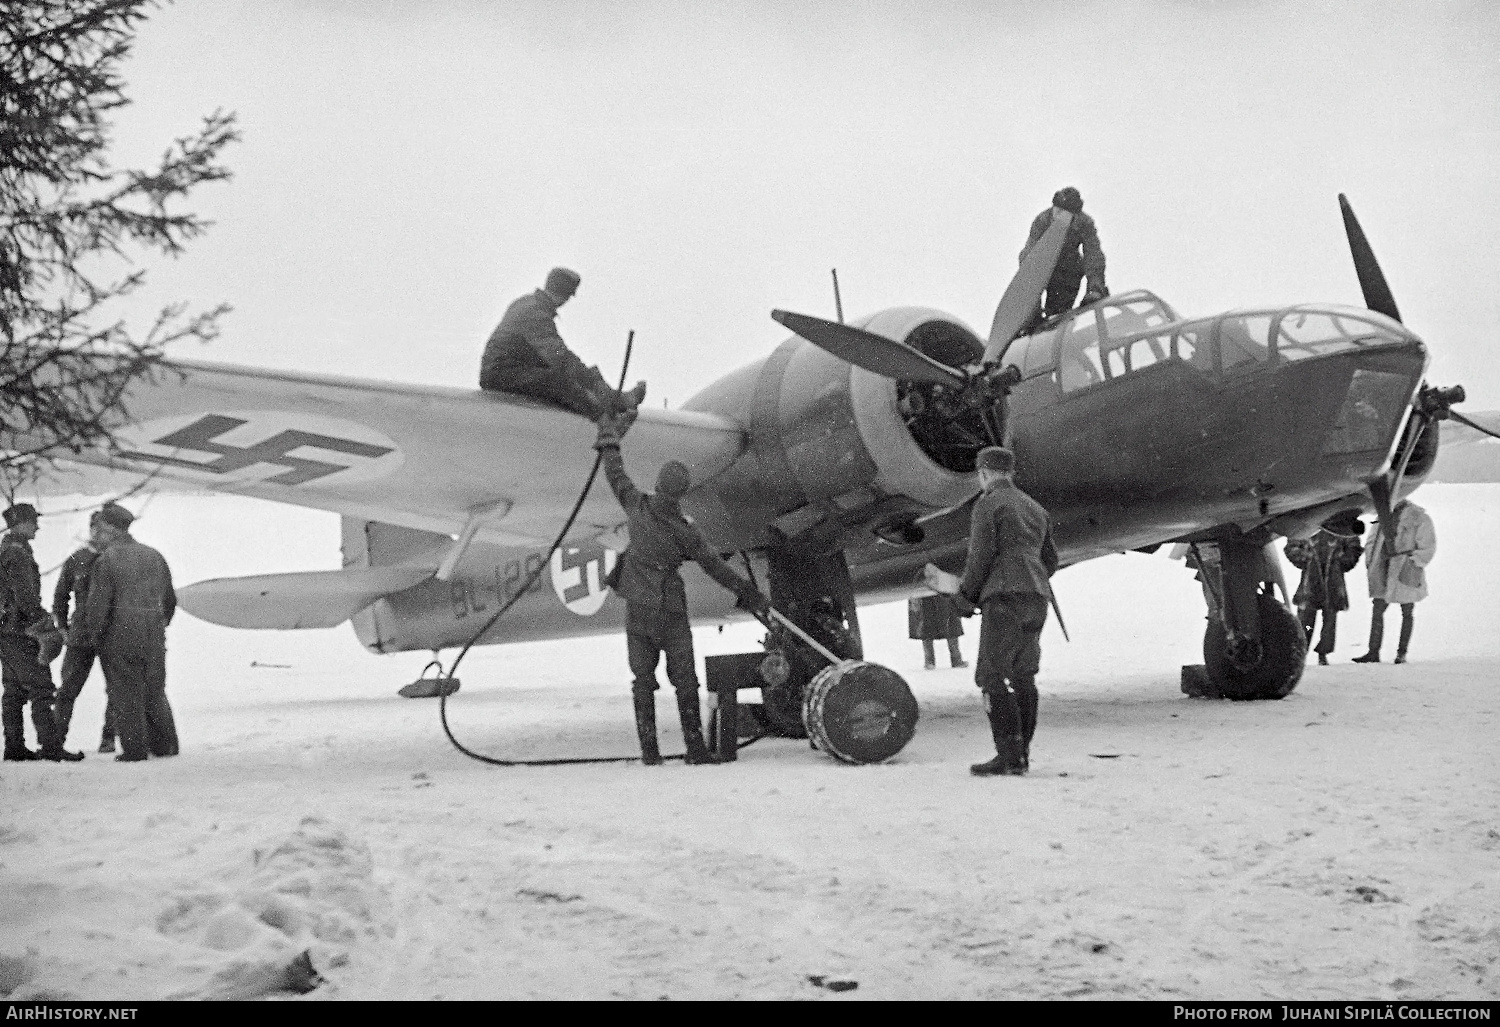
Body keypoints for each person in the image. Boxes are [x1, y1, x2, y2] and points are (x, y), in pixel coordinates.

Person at [594, 413, 769, 765]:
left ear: (658, 485)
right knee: (685, 682)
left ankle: (649, 752)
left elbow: (616, 475)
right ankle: (696, 748)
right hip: (671, 611)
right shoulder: (685, 531)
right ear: (681, 493)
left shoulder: (637, 505)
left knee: (642, 680)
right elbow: (714, 565)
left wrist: (610, 442)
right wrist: (746, 590)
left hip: (639, 610)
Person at [954, 446, 1058, 777]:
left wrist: (966, 595)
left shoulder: (988, 504)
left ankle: (1008, 756)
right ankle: (1022, 754)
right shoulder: (1035, 508)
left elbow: (980, 556)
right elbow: (1051, 561)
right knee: (1024, 674)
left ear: (983, 473)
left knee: (991, 675)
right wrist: (1030, 573)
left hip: (1003, 597)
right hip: (1037, 596)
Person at [479, 267, 646, 422]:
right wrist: (593, 381)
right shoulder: (534, 313)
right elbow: (559, 357)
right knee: (559, 382)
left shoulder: (529, 304)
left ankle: (613, 399)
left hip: (509, 369)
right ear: (565, 294)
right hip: (501, 374)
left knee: (563, 376)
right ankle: (606, 419)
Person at [82, 503, 179, 762]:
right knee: (155, 690)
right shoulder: (154, 555)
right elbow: (169, 600)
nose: (97, 535)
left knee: (125, 693)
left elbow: (99, 605)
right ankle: (166, 745)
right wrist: (158, 626)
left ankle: (135, 749)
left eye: (101, 529)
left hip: (118, 636)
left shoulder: (107, 560)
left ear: (111, 529)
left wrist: (96, 635)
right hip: (153, 635)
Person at [1, 503, 82, 761]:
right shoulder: (19, 553)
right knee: (41, 688)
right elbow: (25, 597)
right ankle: (51, 746)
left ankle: (14, 747)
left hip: (6, 629)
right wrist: (43, 622)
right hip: (21, 631)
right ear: (21, 523)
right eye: (32, 521)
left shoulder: (6, 549)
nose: (37, 526)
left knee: (13, 689)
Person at [52, 512, 116, 752]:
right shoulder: (77, 559)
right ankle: (55, 740)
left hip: (111, 634)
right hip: (80, 635)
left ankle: (109, 739)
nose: (101, 534)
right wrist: (62, 627)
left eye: (106, 529)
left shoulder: (116, 558)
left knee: (116, 690)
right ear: (91, 530)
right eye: (97, 529)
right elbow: (60, 596)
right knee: (67, 689)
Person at [1353, 500, 1436, 665]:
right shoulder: (1382, 515)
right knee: (1378, 609)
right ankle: (1373, 651)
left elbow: (1428, 546)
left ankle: (1401, 653)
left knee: (1406, 610)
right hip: (1382, 567)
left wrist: (1414, 562)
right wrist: (1371, 562)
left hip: (1404, 566)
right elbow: (1372, 542)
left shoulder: (1418, 517)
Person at [1020, 186, 1108, 326]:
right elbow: (1029, 259)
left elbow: (1093, 255)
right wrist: (1032, 305)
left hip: (1067, 273)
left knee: (1057, 317)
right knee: (1030, 317)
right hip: (1042, 268)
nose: (1061, 216)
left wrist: (1095, 288)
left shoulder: (1084, 223)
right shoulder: (1042, 221)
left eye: (1066, 213)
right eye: (1058, 211)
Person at [1285, 523, 1364, 666]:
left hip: (1333, 582)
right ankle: (1300, 653)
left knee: (1329, 621)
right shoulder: (1308, 522)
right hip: (1310, 582)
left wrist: (1341, 562)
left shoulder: (1339, 523)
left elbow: (1354, 547)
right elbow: (1291, 546)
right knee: (1305, 622)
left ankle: (1323, 652)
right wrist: (1306, 559)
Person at [908, 595, 966, 670]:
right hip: (930, 590)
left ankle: (931, 661)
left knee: (949, 621)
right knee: (928, 622)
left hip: (935, 589)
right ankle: (954, 659)